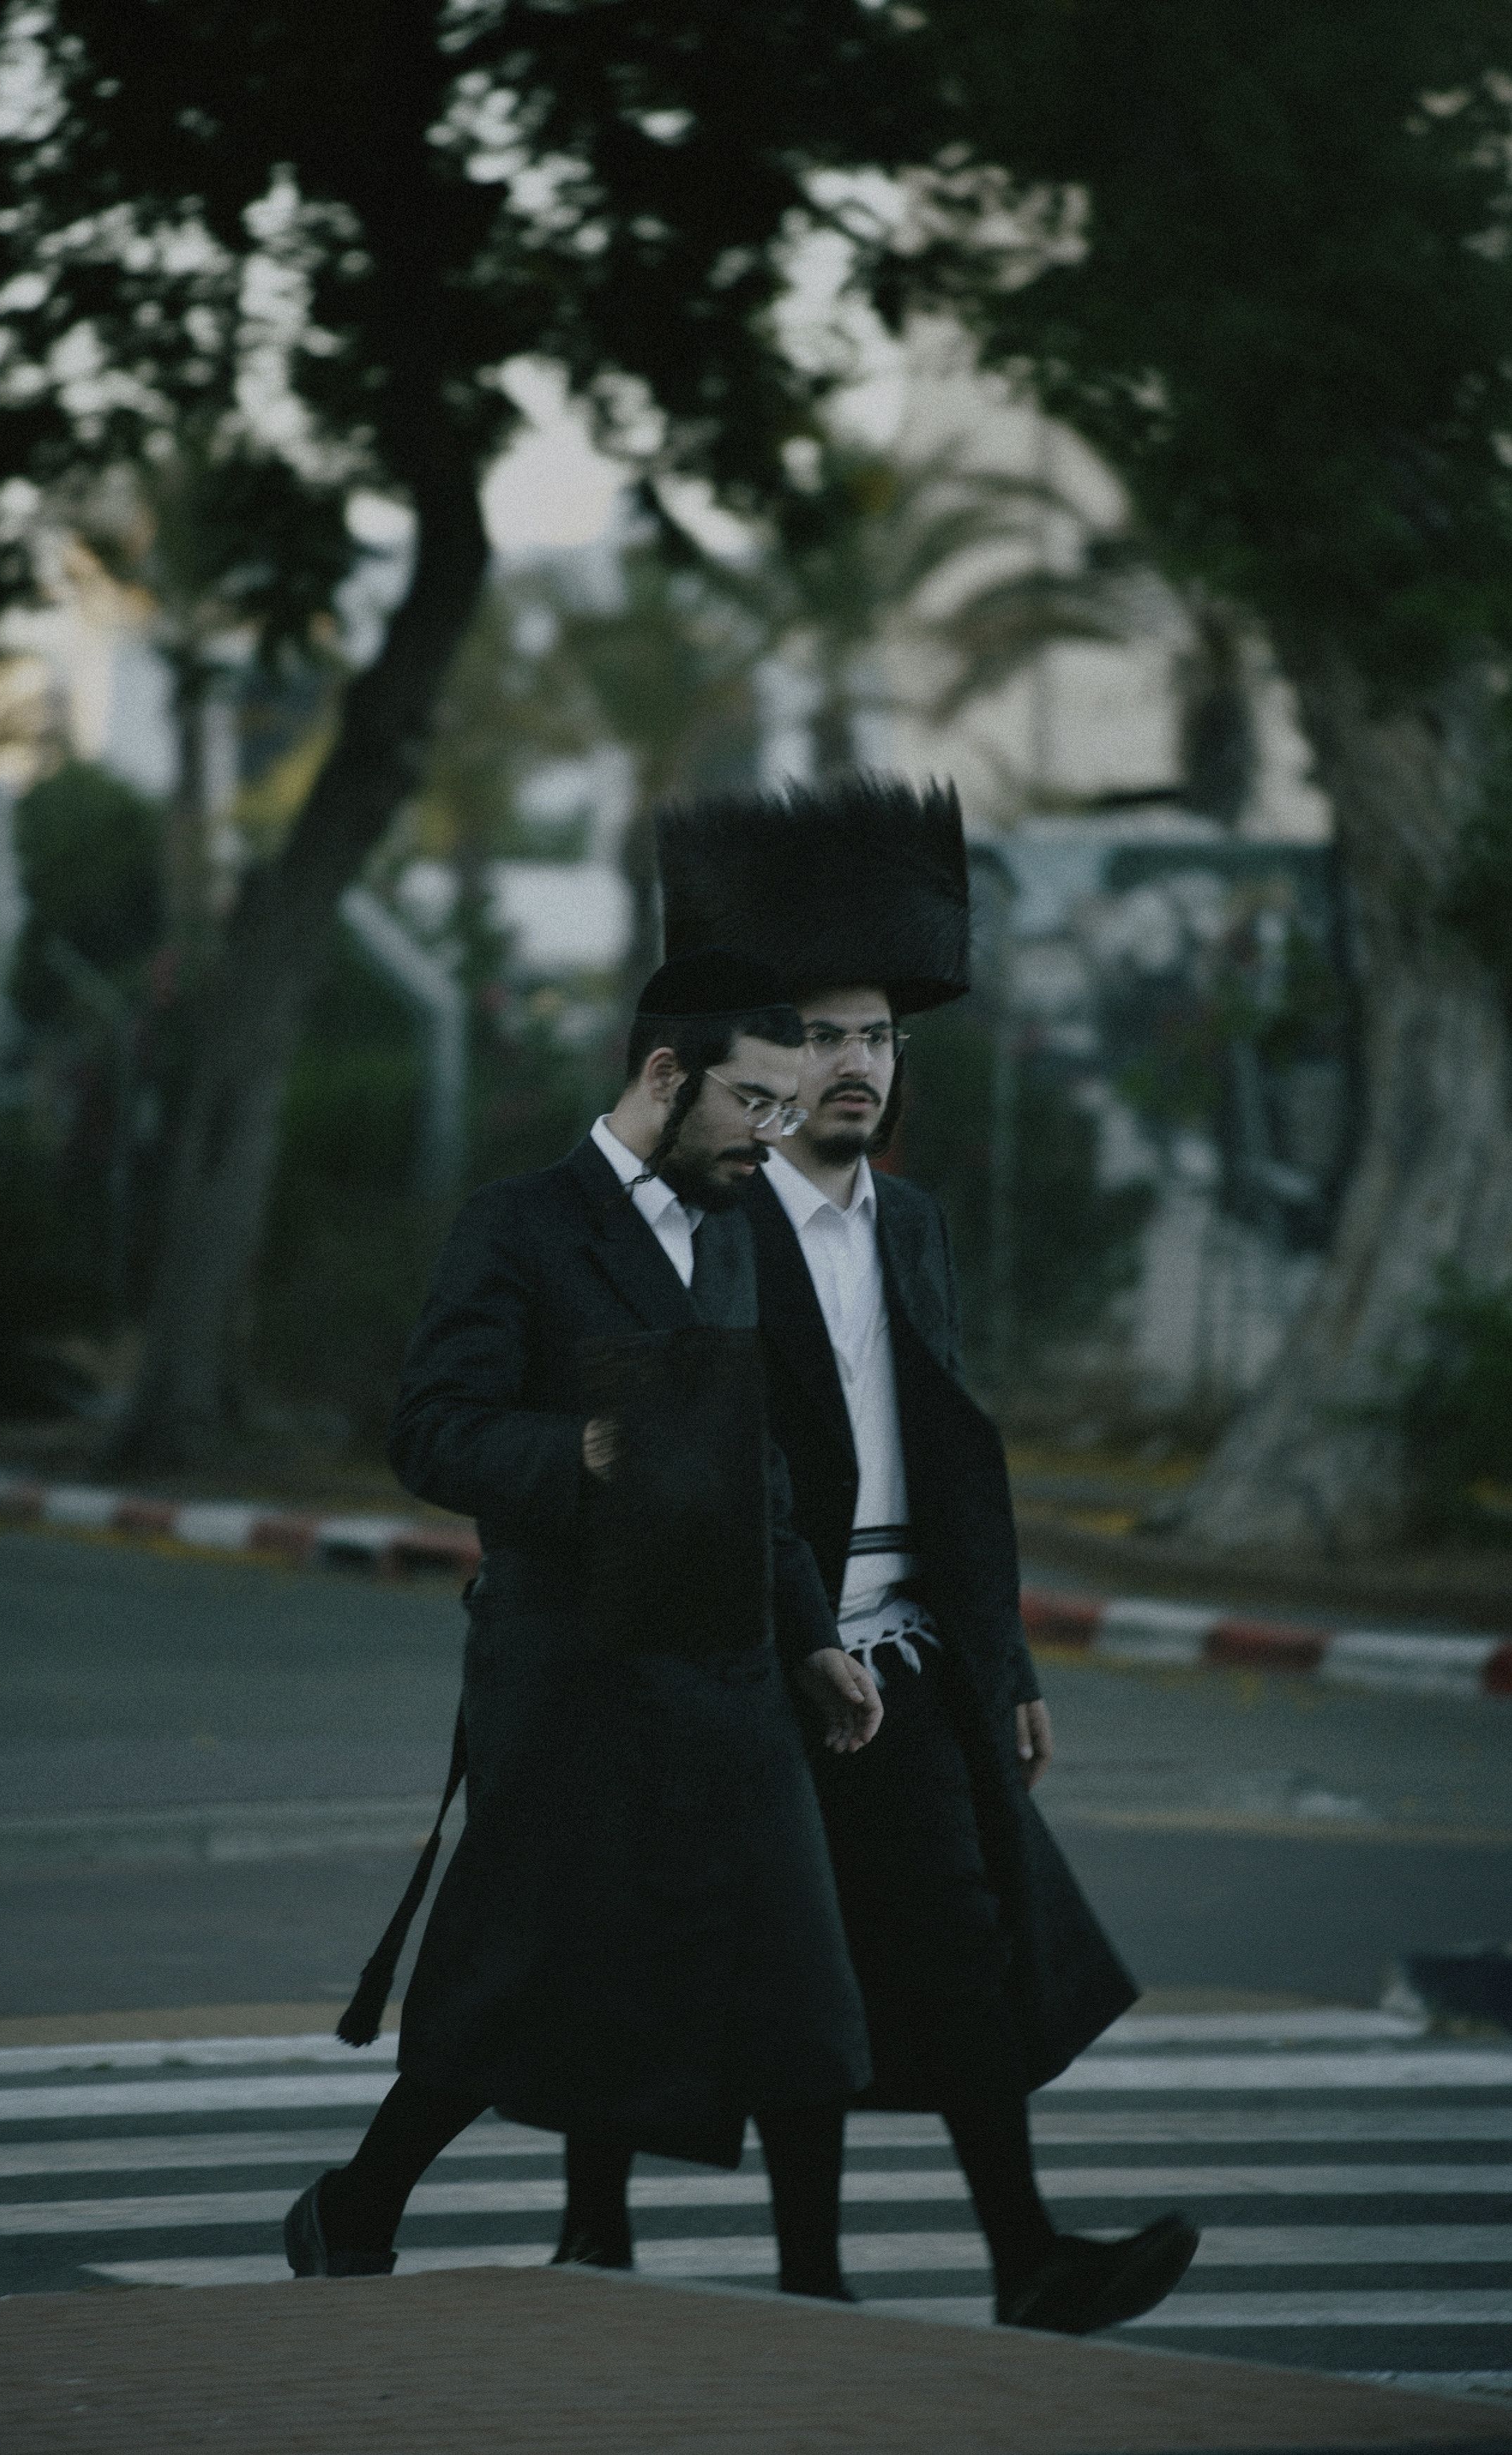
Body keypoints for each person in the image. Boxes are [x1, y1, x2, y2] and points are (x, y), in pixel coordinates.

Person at [556, 776, 1199, 2335]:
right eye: (821, 1035)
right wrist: (792, 1636)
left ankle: (1026, 2261)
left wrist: (1005, 1660)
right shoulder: (697, 1224)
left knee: (963, 1953)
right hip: (745, 1662)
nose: (856, 1063)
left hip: (903, 1662)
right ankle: (738, 2264)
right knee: (747, 1971)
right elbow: (712, 1475)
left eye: (879, 1038)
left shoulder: (908, 1227)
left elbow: (951, 1463)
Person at [285, 948, 882, 2299]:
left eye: (789, 1109)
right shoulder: (522, 1224)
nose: (771, 1136)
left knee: (798, 1974)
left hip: (729, 1670)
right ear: (666, 1075)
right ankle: (357, 2205)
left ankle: (817, 2286)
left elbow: (757, 1467)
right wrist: (584, 1451)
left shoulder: (734, 1232)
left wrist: (812, 1635)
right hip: (573, 1676)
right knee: (521, 1974)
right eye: (753, 1103)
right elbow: (432, 1432)